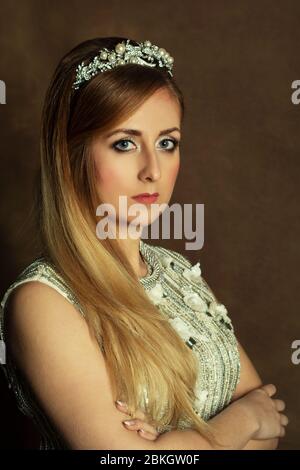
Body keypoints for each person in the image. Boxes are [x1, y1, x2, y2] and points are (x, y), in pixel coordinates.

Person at [0, 36, 288, 450]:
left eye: (167, 143)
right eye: (125, 143)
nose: (153, 169)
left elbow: (272, 427)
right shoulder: (43, 302)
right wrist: (240, 421)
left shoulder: (173, 270)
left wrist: (178, 443)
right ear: (72, 156)